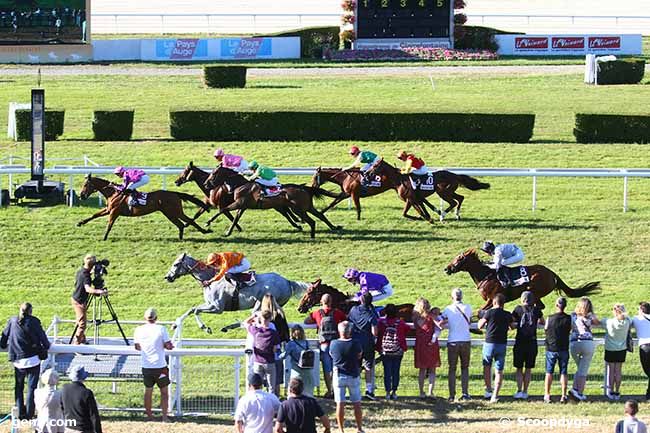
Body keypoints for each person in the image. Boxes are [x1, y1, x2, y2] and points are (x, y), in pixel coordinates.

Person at [1, 302, 50, 420]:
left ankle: (19, 412)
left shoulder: (12, 321)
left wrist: (4, 345)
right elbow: (43, 339)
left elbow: (3, 340)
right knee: (31, 388)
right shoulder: (34, 322)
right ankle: (29, 414)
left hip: (18, 361)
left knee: (18, 387)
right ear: (30, 311)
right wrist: (47, 346)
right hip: (33, 360)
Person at [133, 308, 174, 422]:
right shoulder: (161, 329)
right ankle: (165, 417)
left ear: (145, 318)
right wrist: (169, 346)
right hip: (160, 366)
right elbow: (168, 345)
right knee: (164, 392)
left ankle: (150, 416)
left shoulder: (138, 330)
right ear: (156, 318)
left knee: (148, 392)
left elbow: (137, 346)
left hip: (146, 366)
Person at [304, 294, 347, 399]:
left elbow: (306, 321)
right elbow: (345, 319)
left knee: (327, 369)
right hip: (336, 344)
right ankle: (338, 389)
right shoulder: (337, 312)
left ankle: (329, 390)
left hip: (324, 344)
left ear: (321, 301)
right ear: (331, 301)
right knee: (336, 367)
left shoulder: (317, 313)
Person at [329, 321, 363, 433]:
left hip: (339, 375)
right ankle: (359, 428)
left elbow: (331, 354)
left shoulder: (333, 343)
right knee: (356, 402)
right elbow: (359, 355)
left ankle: (341, 429)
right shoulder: (355, 343)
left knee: (340, 403)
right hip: (353, 374)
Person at [477, 293, 512, 403]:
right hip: (501, 343)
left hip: (489, 343)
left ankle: (488, 390)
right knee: (499, 370)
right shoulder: (507, 314)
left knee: (487, 366)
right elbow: (512, 326)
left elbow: (480, 326)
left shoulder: (489, 312)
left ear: (494, 302)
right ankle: (495, 395)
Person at [511, 291, 544, 400]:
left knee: (519, 368)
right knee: (528, 369)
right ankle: (525, 391)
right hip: (532, 342)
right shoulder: (536, 310)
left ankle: (519, 390)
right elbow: (542, 321)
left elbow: (511, 323)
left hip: (520, 341)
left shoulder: (518, 309)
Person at [441, 288, 472, 402]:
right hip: (465, 340)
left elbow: (442, 321)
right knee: (465, 368)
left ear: (452, 297)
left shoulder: (448, 309)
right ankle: (465, 393)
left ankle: (452, 395)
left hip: (453, 341)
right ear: (461, 296)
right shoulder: (468, 307)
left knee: (452, 369)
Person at [347, 291, 379, 400]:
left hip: (355, 342)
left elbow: (349, 323)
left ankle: (355, 390)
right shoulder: (371, 314)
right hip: (367, 343)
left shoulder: (353, 310)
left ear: (361, 300)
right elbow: (375, 332)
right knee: (368, 367)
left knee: (355, 366)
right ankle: (369, 390)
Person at [258, 293, 290, 396]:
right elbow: (286, 333)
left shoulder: (262, 316)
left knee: (262, 379)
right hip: (278, 348)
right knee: (275, 379)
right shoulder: (280, 313)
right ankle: (276, 398)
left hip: (263, 350)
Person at [569, 297, 600, 402]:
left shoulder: (573, 316)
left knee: (580, 367)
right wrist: (591, 315)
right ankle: (580, 393)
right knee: (583, 370)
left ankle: (574, 388)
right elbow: (597, 322)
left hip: (574, 343)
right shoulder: (590, 317)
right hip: (587, 343)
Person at [71, 254, 106, 345]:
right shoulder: (85, 275)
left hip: (77, 298)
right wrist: (99, 291)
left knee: (80, 321)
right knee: (82, 324)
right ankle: (76, 345)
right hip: (79, 301)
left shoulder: (81, 271)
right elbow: (88, 289)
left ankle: (82, 339)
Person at [377, 304, 410, 401]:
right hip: (397, 351)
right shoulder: (400, 322)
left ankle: (387, 392)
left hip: (385, 351)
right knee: (396, 371)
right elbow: (407, 329)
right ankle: (394, 392)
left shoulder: (381, 322)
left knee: (387, 372)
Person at [544, 296, 572, 404]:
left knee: (549, 372)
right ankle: (563, 395)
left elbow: (546, 328)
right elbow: (570, 329)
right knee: (563, 372)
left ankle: (547, 394)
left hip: (551, 348)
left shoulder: (550, 318)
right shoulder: (568, 318)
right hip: (563, 348)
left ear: (556, 305)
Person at [245, 310, 281, 394]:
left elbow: (246, 322)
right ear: (270, 319)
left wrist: (254, 316)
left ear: (261, 319)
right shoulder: (273, 333)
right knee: (271, 387)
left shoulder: (256, 330)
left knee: (257, 386)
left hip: (257, 361)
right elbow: (275, 349)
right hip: (269, 362)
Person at [412, 298, 442, 398]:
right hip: (431, 344)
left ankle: (421, 392)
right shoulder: (431, 316)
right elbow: (440, 325)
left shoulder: (415, 318)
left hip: (420, 344)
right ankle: (430, 392)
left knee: (422, 370)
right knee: (432, 369)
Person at [603, 303, 632, 401]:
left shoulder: (609, 321)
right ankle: (617, 390)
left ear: (614, 311)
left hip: (610, 349)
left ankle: (610, 391)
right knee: (618, 371)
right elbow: (629, 318)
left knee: (611, 371)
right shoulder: (627, 322)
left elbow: (597, 321)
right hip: (621, 349)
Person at [61, 365, 102, 433]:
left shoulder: (64, 389)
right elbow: (94, 416)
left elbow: (62, 408)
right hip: (84, 429)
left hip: (68, 427)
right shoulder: (86, 393)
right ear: (83, 378)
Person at [280, 325, 315, 397]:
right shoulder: (306, 343)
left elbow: (283, 356)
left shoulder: (291, 344)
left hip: (296, 370)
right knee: (308, 391)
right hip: (307, 370)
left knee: (294, 390)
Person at [631, 301, 650, 401]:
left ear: (641, 310)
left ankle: (649, 393)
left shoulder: (637, 318)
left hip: (645, 346)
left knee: (647, 370)